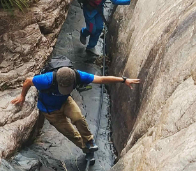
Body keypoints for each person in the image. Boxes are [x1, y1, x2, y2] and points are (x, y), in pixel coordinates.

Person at [11, 63, 140, 161]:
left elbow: (101, 79)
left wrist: (124, 80)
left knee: (78, 118)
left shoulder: (77, 75)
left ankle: (89, 141)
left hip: (65, 102)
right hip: (50, 110)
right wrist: (22, 96)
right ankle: (87, 150)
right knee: (70, 132)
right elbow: (28, 81)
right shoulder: (46, 79)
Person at [79, 0, 145, 59]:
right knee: (91, 29)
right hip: (89, 9)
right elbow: (115, 1)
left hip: (98, 8)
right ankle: (83, 32)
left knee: (99, 28)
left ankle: (91, 47)